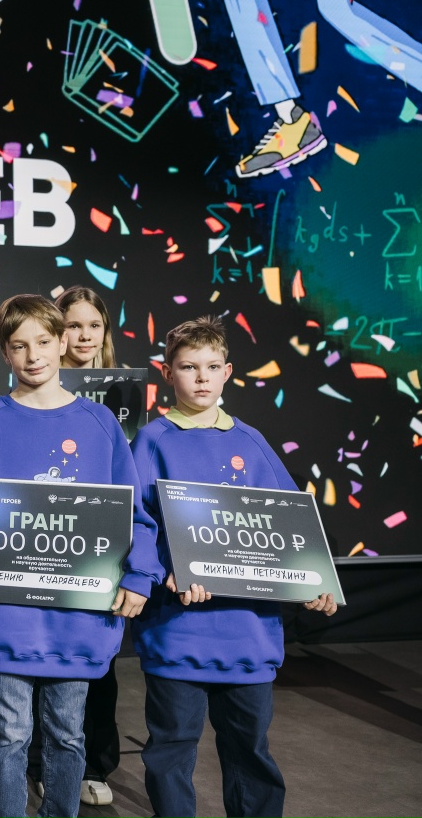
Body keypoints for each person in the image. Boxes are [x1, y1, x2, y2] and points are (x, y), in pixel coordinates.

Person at [0, 294, 162, 818]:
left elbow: (133, 512)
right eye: (19, 346)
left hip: (78, 614)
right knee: (8, 736)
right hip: (6, 612)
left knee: (67, 735)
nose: (33, 355)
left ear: (63, 342)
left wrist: (140, 574)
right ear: (4, 353)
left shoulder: (101, 423)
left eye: (43, 341)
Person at [131, 315, 339, 818]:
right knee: (172, 749)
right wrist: (166, 570)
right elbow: (135, 522)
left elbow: (289, 521)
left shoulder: (250, 440)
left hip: (248, 633)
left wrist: (314, 579)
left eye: (211, 366)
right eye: (188, 367)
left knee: (250, 751)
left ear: (227, 372)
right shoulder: (152, 440)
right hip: (179, 631)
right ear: (167, 373)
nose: (201, 377)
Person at [25, 286, 123, 806]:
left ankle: (93, 764)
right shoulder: (33, 389)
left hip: (98, 550)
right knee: (38, 665)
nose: (84, 336)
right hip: (43, 546)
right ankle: (46, 763)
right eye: (74, 325)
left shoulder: (121, 397)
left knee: (98, 668)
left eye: (94, 325)